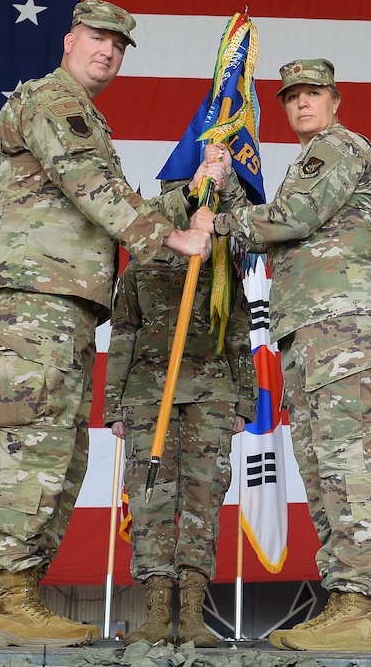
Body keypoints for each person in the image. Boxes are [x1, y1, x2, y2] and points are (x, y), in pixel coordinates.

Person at [0, 0, 229, 648]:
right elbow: (92, 188)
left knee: (61, 447)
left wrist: (193, 194)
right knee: (37, 442)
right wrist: (172, 237)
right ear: (69, 40)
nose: (108, 52)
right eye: (97, 38)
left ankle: (20, 595)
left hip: (63, 300)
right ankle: (9, 599)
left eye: (118, 46)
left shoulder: (87, 115)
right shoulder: (50, 100)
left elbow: (115, 198)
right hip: (35, 292)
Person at [191, 59, 371, 652]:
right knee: (320, 462)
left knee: (345, 459)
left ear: (336, 99)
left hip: (340, 322)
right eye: (292, 97)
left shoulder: (337, 147)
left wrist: (218, 224)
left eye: (314, 93)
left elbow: (292, 219)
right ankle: (343, 602)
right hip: (309, 324)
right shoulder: (309, 160)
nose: (302, 103)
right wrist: (227, 184)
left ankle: (357, 604)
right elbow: (285, 220)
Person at [105, 168, 256, 648]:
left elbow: (238, 336)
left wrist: (244, 402)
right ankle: (154, 613)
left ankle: (191, 612)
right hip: (150, 396)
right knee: (149, 502)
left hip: (212, 396)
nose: (190, 211)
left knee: (202, 502)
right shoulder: (140, 264)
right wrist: (113, 405)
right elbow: (123, 333)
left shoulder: (222, 267)